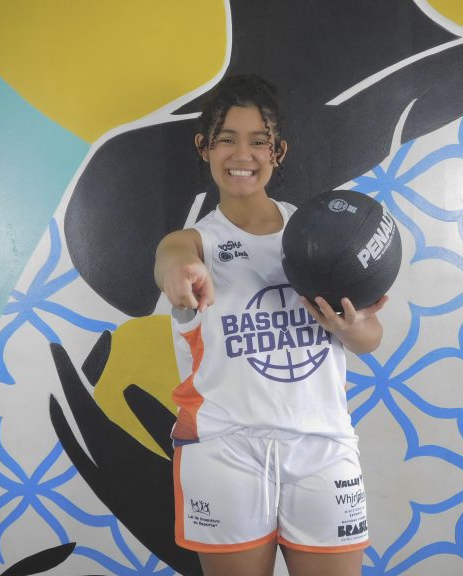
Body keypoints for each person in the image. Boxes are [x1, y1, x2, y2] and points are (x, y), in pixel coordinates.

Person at [154, 74, 387, 576]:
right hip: (225, 450)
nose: (243, 154)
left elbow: (370, 338)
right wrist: (179, 271)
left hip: (323, 447)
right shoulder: (194, 243)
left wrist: (350, 327)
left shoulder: (320, 235)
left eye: (259, 141)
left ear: (277, 152)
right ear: (204, 147)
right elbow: (171, 257)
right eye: (227, 139)